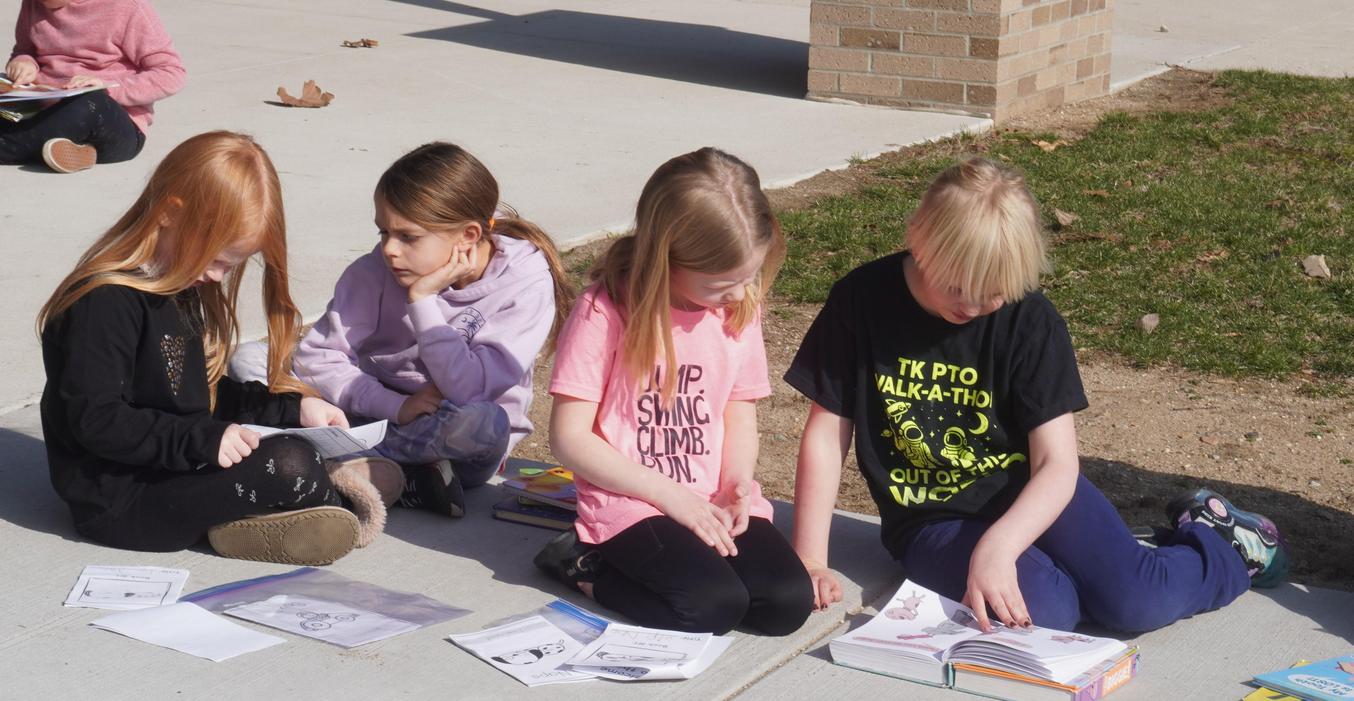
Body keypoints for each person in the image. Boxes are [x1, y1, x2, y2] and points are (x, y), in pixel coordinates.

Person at [785, 156, 1289, 634]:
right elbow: (828, 435)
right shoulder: (861, 299)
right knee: (1046, 611)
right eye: (960, 288)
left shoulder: (1030, 321)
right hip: (932, 518)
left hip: (1034, 497)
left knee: (1137, 601)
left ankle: (1220, 542)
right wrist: (810, 559)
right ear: (920, 240)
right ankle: (1098, 567)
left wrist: (1001, 544)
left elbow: (1056, 464)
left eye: (997, 291)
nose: (978, 306)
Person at [38, 131, 392, 566]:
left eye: (231, 264)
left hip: (178, 466)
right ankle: (310, 503)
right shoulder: (102, 303)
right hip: (123, 499)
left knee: (299, 444)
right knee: (290, 463)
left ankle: (290, 507)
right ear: (169, 214)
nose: (218, 276)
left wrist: (290, 410)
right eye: (216, 259)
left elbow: (200, 396)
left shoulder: (178, 285)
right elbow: (97, 420)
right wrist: (203, 439)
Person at [534, 147, 814, 636]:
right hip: (633, 502)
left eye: (749, 276)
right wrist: (671, 497)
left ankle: (690, 562)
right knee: (711, 607)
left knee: (786, 604)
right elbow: (569, 439)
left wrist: (737, 483)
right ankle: (584, 565)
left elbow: (738, 410)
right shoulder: (605, 310)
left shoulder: (737, 307)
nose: (738, 292)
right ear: (666, 261)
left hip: (709, 496)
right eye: (721, 283)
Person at [292, 142, 572, 518]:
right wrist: (397, 407)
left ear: (469, 236)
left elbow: (469, 389)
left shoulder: (524, 284)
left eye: (408, 237)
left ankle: (337, 463)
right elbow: (315, 359)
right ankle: (399, 479)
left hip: (457, 449)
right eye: (383, 232)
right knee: (253, 359)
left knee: (485, 420)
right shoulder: (374, 270)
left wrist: (422, 300)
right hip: (375, 418)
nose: (390, 249)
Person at [2, 0, 185, 173]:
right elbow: (25, 51)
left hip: (110, 121)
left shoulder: (125, 7)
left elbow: (171, 72)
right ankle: (75, 150)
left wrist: (108, 88)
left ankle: (10, 145)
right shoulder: (33, 3)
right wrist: (24, 63)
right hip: (41, 108)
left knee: (88, 105)